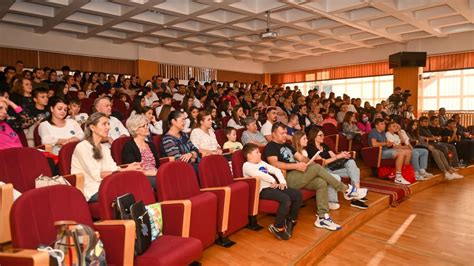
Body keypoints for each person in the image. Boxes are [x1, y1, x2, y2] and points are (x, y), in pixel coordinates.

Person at [264, 122, 366, 231]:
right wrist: (296, 166)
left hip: (299, 174)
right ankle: (346, 189)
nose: (284, 135)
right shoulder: (271, 146)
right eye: (281, 133)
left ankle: (323, 218)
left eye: (285, 133)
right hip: (287, 178)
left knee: (321, 182)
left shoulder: (287, 145)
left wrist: (309, 163)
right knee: (317, 168)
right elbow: (274, 163)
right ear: (273, 134)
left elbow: (301, 158)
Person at [71, 112, 141, 202]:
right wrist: (125, 169)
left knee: (137, 187)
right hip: (93, 190)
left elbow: (113, 168)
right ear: (92, 127)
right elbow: (97, 175)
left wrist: (130, 168)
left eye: (108, 124)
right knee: (128, 195)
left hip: (109, 186)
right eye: (104, 124)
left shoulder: (104, 148)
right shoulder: (82, 147)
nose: (108, 127)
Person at [242, 143, 302, 240]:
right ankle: (278, 227)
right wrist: (273, 180)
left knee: (297, 194)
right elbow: (259, 174)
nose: (260, 154)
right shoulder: (247, 165)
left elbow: (276, 170)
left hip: (271, 186)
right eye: (257, 152)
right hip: (261, 190)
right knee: (285, 199)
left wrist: (282, 182)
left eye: (259, 152)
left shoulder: (261, 162)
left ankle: (291, 220)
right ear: (249, 155)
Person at [306, 128, 369, 209]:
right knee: (356, 170)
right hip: (322, 170)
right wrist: (338, 156)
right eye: (320, 135)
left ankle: (356, 192)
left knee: (351, 163)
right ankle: (356, 196)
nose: (323, 137)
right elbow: (322, 162)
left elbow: (334, 157)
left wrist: (343, 155)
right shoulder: (311, 148)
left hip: (332, 167)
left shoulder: (324, 145)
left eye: (323, 135)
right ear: (314, 136)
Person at [368, 118, 412, 185]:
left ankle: (405, 173)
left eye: (384, 124)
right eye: (381, 124)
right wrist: (385, 143)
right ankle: (398, 177)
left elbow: (385, 143)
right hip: (379, 152)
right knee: (401, 153)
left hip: (386, 150)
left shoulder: (382, 132)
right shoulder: (373, 132)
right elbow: (374, 144)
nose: (384, 125)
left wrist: (388, 143)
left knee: (408, 151)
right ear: (376, 125)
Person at [123, 114, 160, 188]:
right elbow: (132, 169)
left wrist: (157, 172)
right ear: (135, 129)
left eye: (147, 125)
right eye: (143, 126)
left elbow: (157, 164)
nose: (147, 128)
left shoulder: (151, 145)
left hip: (155, 173)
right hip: (141, 176)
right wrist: (152, 173)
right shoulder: (129, 146)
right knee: (162, 181)